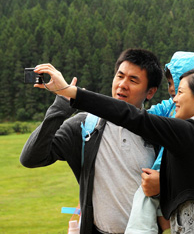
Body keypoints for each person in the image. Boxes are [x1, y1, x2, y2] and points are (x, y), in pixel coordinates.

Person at [33, 64, 194, 234]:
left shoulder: (191, 133)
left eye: (180, 92)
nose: (175, 98)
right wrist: (163, 182)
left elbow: (132, 117)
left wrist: (69, 92)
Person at [20, 49, 163, 234]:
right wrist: (61, 105)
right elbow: (31, 158)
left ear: (150, 92)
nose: (122, 85)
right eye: (119, 76)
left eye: (133, 80)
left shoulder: (159, 130)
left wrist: (161, 187)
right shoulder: (86, 124)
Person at [127, 51, 194, 234]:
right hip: (160, 173)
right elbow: (148, 116)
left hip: (170, 178)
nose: (171, 89)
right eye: (170, 84)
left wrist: (164, 181)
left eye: (174, 83)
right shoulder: (171, 105)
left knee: (144, 203)